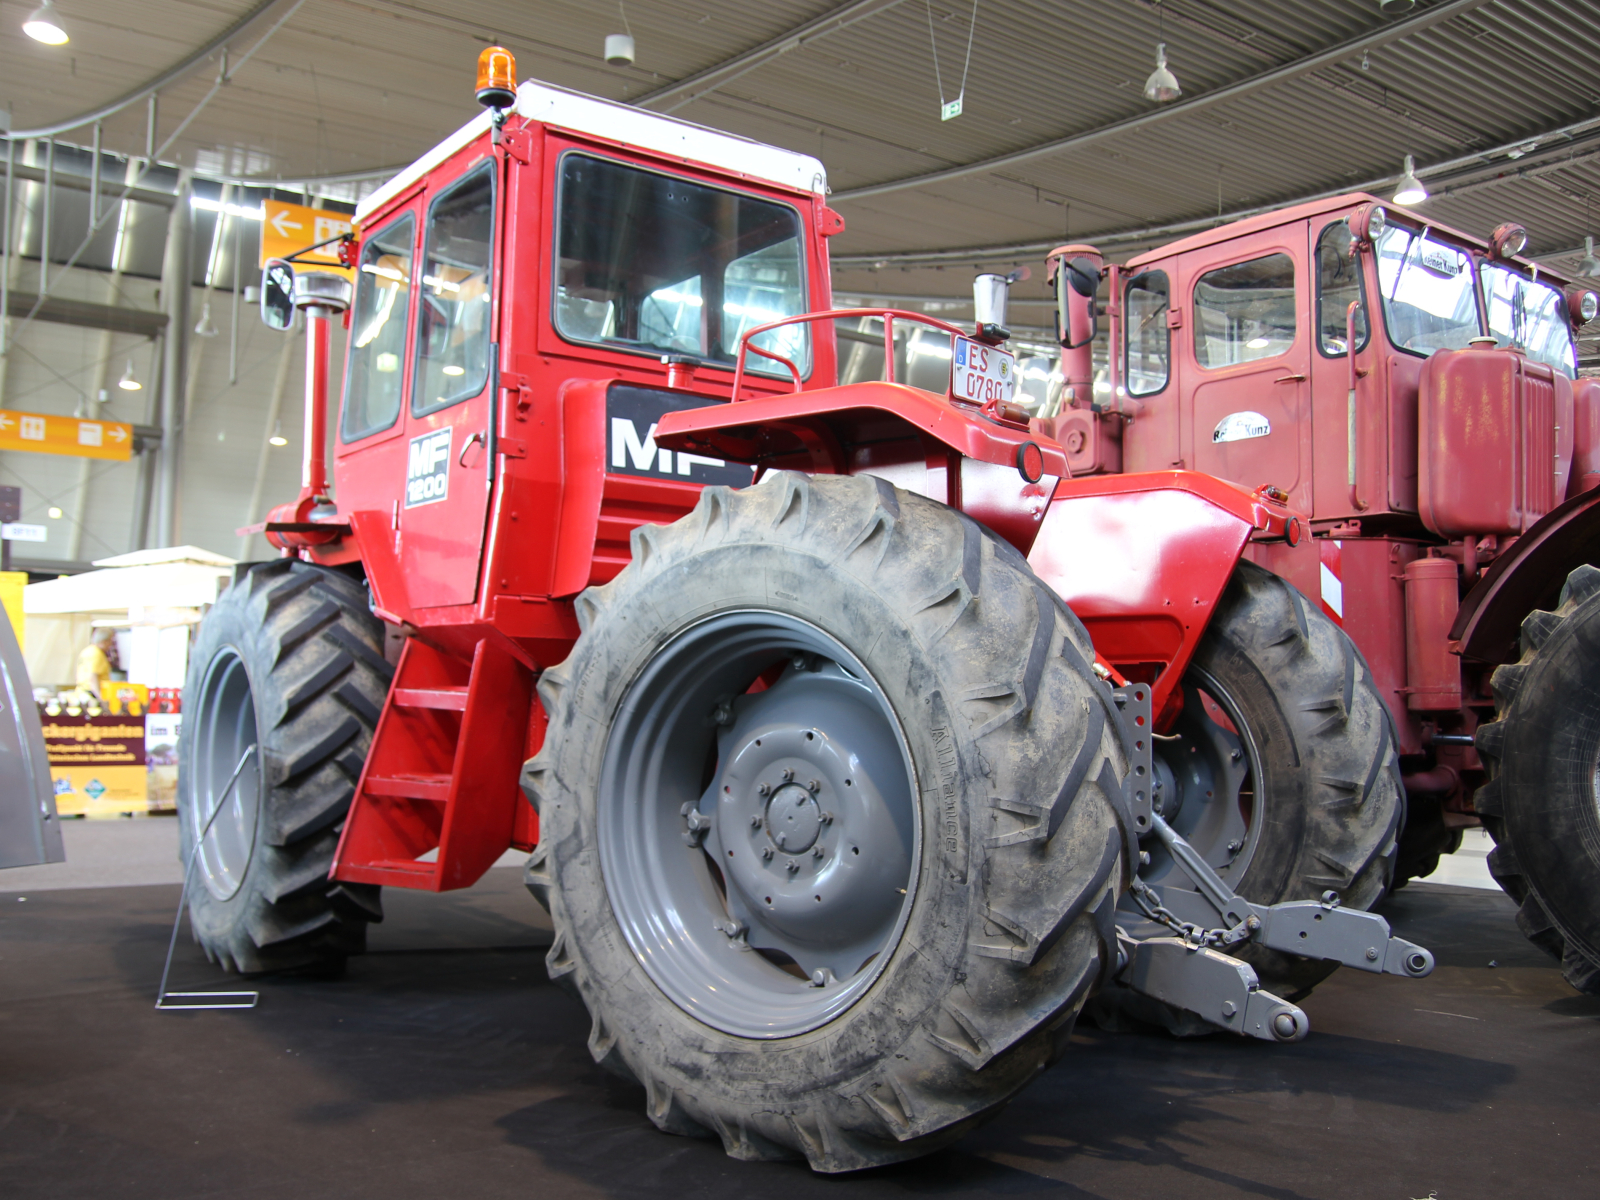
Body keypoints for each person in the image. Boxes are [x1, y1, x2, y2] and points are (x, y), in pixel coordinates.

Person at [75, 629, 118, 699]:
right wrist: (101, 698)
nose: (110, 645)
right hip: (91, 694)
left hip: (82, 691)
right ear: (104, 641)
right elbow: (93, 677)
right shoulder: (97, 654)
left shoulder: (88, 650)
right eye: (110, 641)